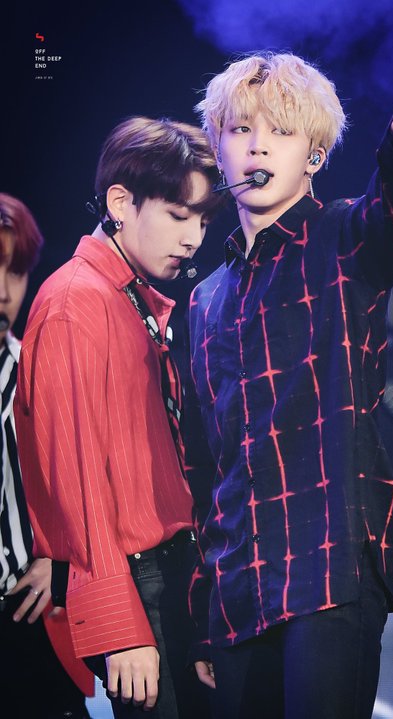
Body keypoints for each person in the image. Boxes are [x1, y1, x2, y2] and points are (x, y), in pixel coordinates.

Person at [184, 52, 393, 719]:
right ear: (219, 150)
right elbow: (209, 459)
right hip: (238, 586)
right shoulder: (205, 299)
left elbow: (390, 215)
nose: (257, 144)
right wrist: (205, 606)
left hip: (328, 567)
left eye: (280, 131)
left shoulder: (341, 237)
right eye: (241, 129)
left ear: (313, 155)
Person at [13, 118, 222, 718]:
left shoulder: (128, 297)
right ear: (120, 203)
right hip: (136, 583)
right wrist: (120, 626)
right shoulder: (74, 302)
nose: (193, 239)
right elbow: (76, 483)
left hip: (173, 572)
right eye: (179, 216)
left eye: (203, 222)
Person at [0, 192, 93, 718]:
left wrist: (60, 562)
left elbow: (95, 477)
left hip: (26, 619)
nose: (3, 290)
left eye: (15, 272)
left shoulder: (38, 368)